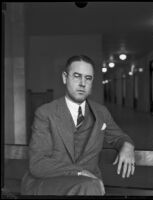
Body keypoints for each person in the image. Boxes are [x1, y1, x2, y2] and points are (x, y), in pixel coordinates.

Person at [21, 55, 135, 195]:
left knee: (90, 188)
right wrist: (79, 172)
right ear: (65, 77)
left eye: (88, 78)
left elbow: (118, 137)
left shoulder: (101, 112)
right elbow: (37, 163)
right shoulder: (45, 113)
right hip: (50, 183)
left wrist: (128, 146)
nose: (82, 83)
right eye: (76, 76)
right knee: (91, 188)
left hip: (87, 187)